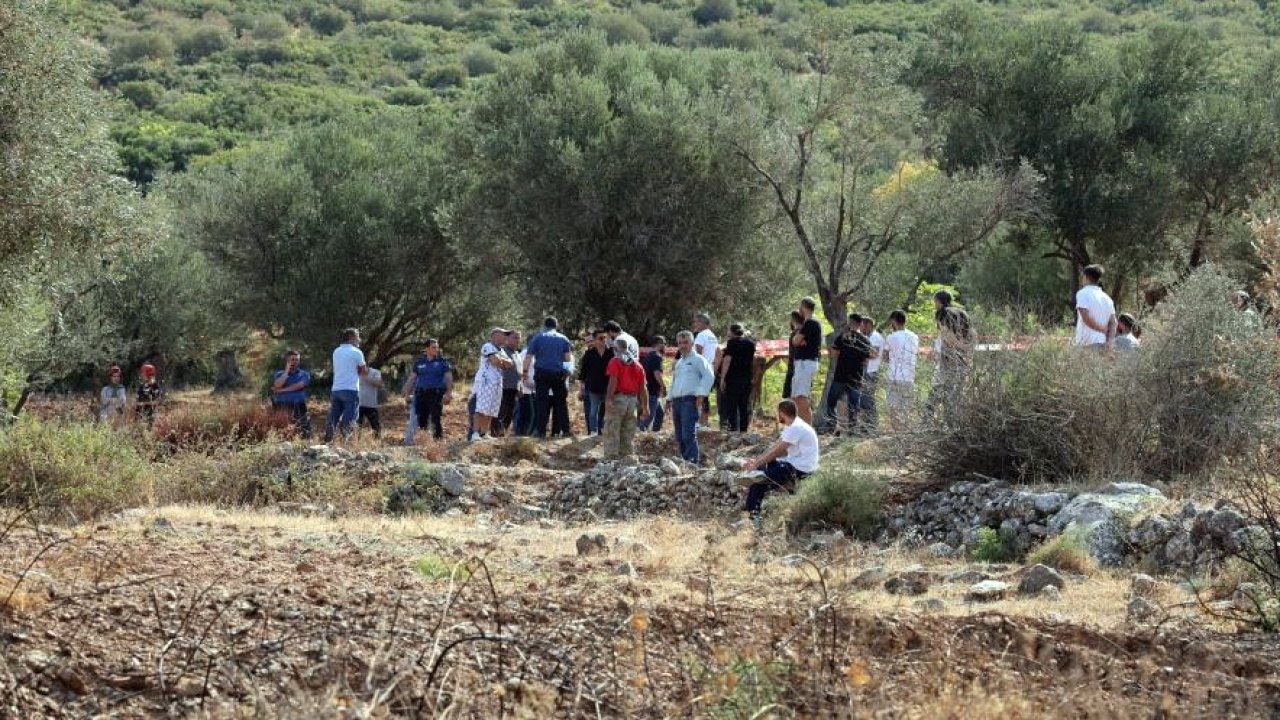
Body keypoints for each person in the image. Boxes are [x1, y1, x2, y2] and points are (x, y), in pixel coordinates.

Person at [737, 399, 820, 531]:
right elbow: (775, 446)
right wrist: (756, 461)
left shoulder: (797, 428)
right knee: (762, 467)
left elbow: (778, 450)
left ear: (781, 413)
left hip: (800, 470)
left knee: (758, 482)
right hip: (794, 464)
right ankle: (757, 478)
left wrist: (756, 463)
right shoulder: (793, 425)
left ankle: (753, 518)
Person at [668, 330, 715, 464]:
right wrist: (669, 399)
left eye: (685, 342)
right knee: (679, 436)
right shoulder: (679, 363)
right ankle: (685, 462)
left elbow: (709, 376)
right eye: (680, 343)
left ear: (692, 343)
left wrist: (701, 394)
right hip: (677, 402)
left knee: (688, 435)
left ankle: (693, 463)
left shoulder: (698, 359)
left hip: (690, 401)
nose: (682, 346)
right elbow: (675, 381)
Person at [524, 317, 574, 438]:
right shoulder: (563, 338)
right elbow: (568, 358)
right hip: (558, 374)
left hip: (542, 373)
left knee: (542, 402)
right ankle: (565, 430)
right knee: (561, 402)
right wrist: (563, 367)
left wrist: (525, 372)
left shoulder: (538, 338)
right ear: (556, 326)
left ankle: (540, 431)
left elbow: (528, 357)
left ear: (544, 325)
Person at [601, 336, 650, 459]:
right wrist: (645, 407)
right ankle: (627, 460)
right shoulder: (638, 365)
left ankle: (610, 460)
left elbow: (613, 381)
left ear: (615, 348)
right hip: (633, 402)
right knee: (628, 432)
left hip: (619, 399)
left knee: (612, 430)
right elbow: (643, 388)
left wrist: (608, 399)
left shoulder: (615, 361)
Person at [927, 290, 974, 414]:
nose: (934, 304)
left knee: (939, 387)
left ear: (939, 301)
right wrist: (967, 348)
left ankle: (928, 418)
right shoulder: (963, 312)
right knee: (957, 391)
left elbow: (946, 334)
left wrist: (959, 346)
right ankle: (954, 422)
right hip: (963, 357)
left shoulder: (942, 313)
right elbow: (972, 333)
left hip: (949, 355)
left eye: (935, 301)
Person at [826, 315, 871, 434]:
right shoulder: (865, 341)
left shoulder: (842, 337)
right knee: (853, 406)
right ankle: (852, 430)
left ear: (849, 323)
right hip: (856, 378)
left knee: (831, 401)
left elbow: (834, 354)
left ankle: (832, 426)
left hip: (840, 376)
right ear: (860, 324)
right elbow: (867, 360)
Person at [404, 339, 453, 442]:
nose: (436, 349)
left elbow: (449, 378)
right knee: (422, 419)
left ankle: (438, 442)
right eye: (433, 347)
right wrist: (407, 393)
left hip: (435, 394)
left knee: (436, 418)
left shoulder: (442, 362)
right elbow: (412, 378)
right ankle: (423, 442)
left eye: (437, 347)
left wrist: (449, 393)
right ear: (426, 349)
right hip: (421, 394)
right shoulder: (419, 362)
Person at [325, 328, 368, 443]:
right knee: (349, 419)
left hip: (336, 389)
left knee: (333, 417)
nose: (359, 339)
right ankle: (347, 443)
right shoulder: (356, 352)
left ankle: (328, 441)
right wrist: (358, 370)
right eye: (358, 336)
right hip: (351, 389)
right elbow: (364, 371)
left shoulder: (336, 351)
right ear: (351, 337)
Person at [472, 327, 515, 440]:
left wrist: (501, 360)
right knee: (481, 408)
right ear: (495, 335)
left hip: (497, 383)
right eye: (504, 334)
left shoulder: (501, 350)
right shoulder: (487, 346)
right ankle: (475, 433)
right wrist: (502, 362)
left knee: (491, 409)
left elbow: (510, 364)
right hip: (486, 381)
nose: (506, 337)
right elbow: (495, 361)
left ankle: (484, 433)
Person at [882, 310, 919, 431]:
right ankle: (905, 432)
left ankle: (897, 432)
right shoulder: (914, 337)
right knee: (906, 407)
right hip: (909, 376)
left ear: (893, 321)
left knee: (893, 406)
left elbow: (885, 358)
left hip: (894, 375)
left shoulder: (891, 337)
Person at [790, 297, 824, 424]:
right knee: (795, 397)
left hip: (806, 362)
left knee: (801, 397)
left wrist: (799, 340)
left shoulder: (811, 323)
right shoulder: (808, 323)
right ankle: (798, 426)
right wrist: (799, 340)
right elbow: (797, 341)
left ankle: (808, 428)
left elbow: (795, 341)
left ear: (803, 307)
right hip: (802, 363)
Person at [719, 324, 756, 432]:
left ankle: (733, 430)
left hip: (733, 378)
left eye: (728, 330)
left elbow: (727, 360)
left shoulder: (732, 343)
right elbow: (753, 361)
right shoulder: (750, 343)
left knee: (732, 405)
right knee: (743, 405)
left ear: (732, 332)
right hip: (746, 378)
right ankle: (744, 430)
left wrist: (722, 378)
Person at [578, 330, 613, 436]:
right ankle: (593, 431)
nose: (604, 340)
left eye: (605, 337)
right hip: (594, 386)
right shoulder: (589, 354)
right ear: (595, 340)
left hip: (608, 387)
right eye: (601, 338)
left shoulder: (611, 352)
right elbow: (583, 372)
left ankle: (604, 431)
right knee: (593, 410)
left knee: (607, 411)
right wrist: (582, 387)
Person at [1075, 264, 1117, 351]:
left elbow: (1085, 317)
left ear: (1085, 277)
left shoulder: (1082, 293)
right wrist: (1111, 340)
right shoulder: (1107, 298)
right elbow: (1113, 322)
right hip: (1102, 343)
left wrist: (1101, 329)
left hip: (1086, 343)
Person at [272, 350, 313, 439]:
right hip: (282, 404)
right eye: (292, 359)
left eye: (297, 359)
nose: (295, 362)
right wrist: (286, 371)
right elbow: (277, 385)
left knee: (303, 429)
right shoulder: (279, 374)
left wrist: (281, 391)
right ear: (287, 361)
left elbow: (299, 386)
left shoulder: (304, 374)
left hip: (299, 404)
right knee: (282, 429)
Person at [856, 316, 885, 433]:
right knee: (864, 400)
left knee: (868, 399)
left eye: (861, 325)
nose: (860, 328)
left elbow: (873, 354)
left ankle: (872, 426)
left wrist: (858, 357)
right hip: (866, 371)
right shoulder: (868, 337)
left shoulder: (875, 337)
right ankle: (867, 425)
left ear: (868, 325)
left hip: (871, 372)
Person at [692, 314, 718, 426]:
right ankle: (704, 421)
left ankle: (698, 422)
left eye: (696, 322)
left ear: (702, 323)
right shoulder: (713, 336)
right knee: (705, 396)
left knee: (697, 396)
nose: (695, 324)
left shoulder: (701, 335)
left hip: (700, 370)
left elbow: (698, 352)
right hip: (710, 369)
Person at [495, 330, 523, 436]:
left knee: (509, 414)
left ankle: (502, 434)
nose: (518, 340)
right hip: (503, 387)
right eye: (515, 337)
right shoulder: (502, 352)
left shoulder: (517, 353)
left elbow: (519, 372)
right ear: (507, 339)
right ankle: (495, 434)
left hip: (514, 388)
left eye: (519, 338)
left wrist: (520, 387)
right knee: (500, 412)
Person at [639, 336, 667, 432]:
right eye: (664, 343)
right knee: (650, 416)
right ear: (659, 344)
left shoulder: (648, 356)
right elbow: (657, 374)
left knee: (660, 413)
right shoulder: (656, 356)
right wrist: (663, 387)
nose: (665, 346)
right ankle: (639, 432)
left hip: (648, 389)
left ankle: (655, 434)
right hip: (652, 390)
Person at [512, 334, 537, 436]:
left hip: (530, 390)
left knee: (524, 414)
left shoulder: (532, 354)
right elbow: (519, 371)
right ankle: (526, 436)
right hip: (527, 390)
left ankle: (521, 435)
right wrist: (526, 382)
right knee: (531, 415)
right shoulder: (525, 353)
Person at [357, 364, 385, 438]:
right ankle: (356, 442)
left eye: (362, 367)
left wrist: (366, 377)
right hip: (358, 404)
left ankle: (377, 443)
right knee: (357, 426)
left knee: (375, 426)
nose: (360, 369)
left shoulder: (375, 372)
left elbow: (380, 384)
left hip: (371, 404)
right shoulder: (355, 372)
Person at [782, 311, 803, 400]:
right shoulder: (800, 333)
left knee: (793, 397)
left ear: (793, 320)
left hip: (795, 369)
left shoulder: (797, 334)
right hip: (797, 368)